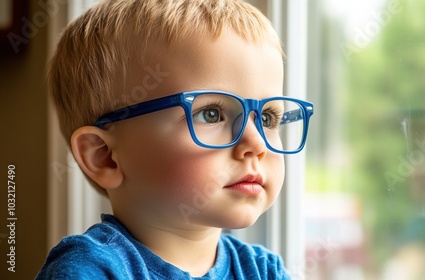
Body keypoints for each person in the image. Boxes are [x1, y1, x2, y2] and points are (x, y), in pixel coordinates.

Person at [36, 0, 314, 279]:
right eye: (211, 114)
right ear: (104, 156)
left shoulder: (265, 271)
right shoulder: (92, 269)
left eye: (266, 118)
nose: (256, 144)